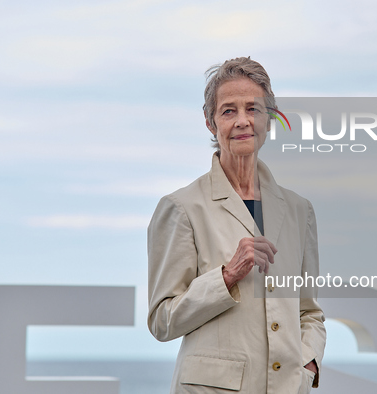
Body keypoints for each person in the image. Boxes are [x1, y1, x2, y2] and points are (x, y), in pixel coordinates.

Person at [147, 56, 326, 394]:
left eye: (253, 109)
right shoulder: (181, 207)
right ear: (210, 122)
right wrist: (226, 276)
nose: (243, 121)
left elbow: (309, 311)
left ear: (270, 119)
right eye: (229, 111)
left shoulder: (300, 210)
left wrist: (308, 361)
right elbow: (162, 320)